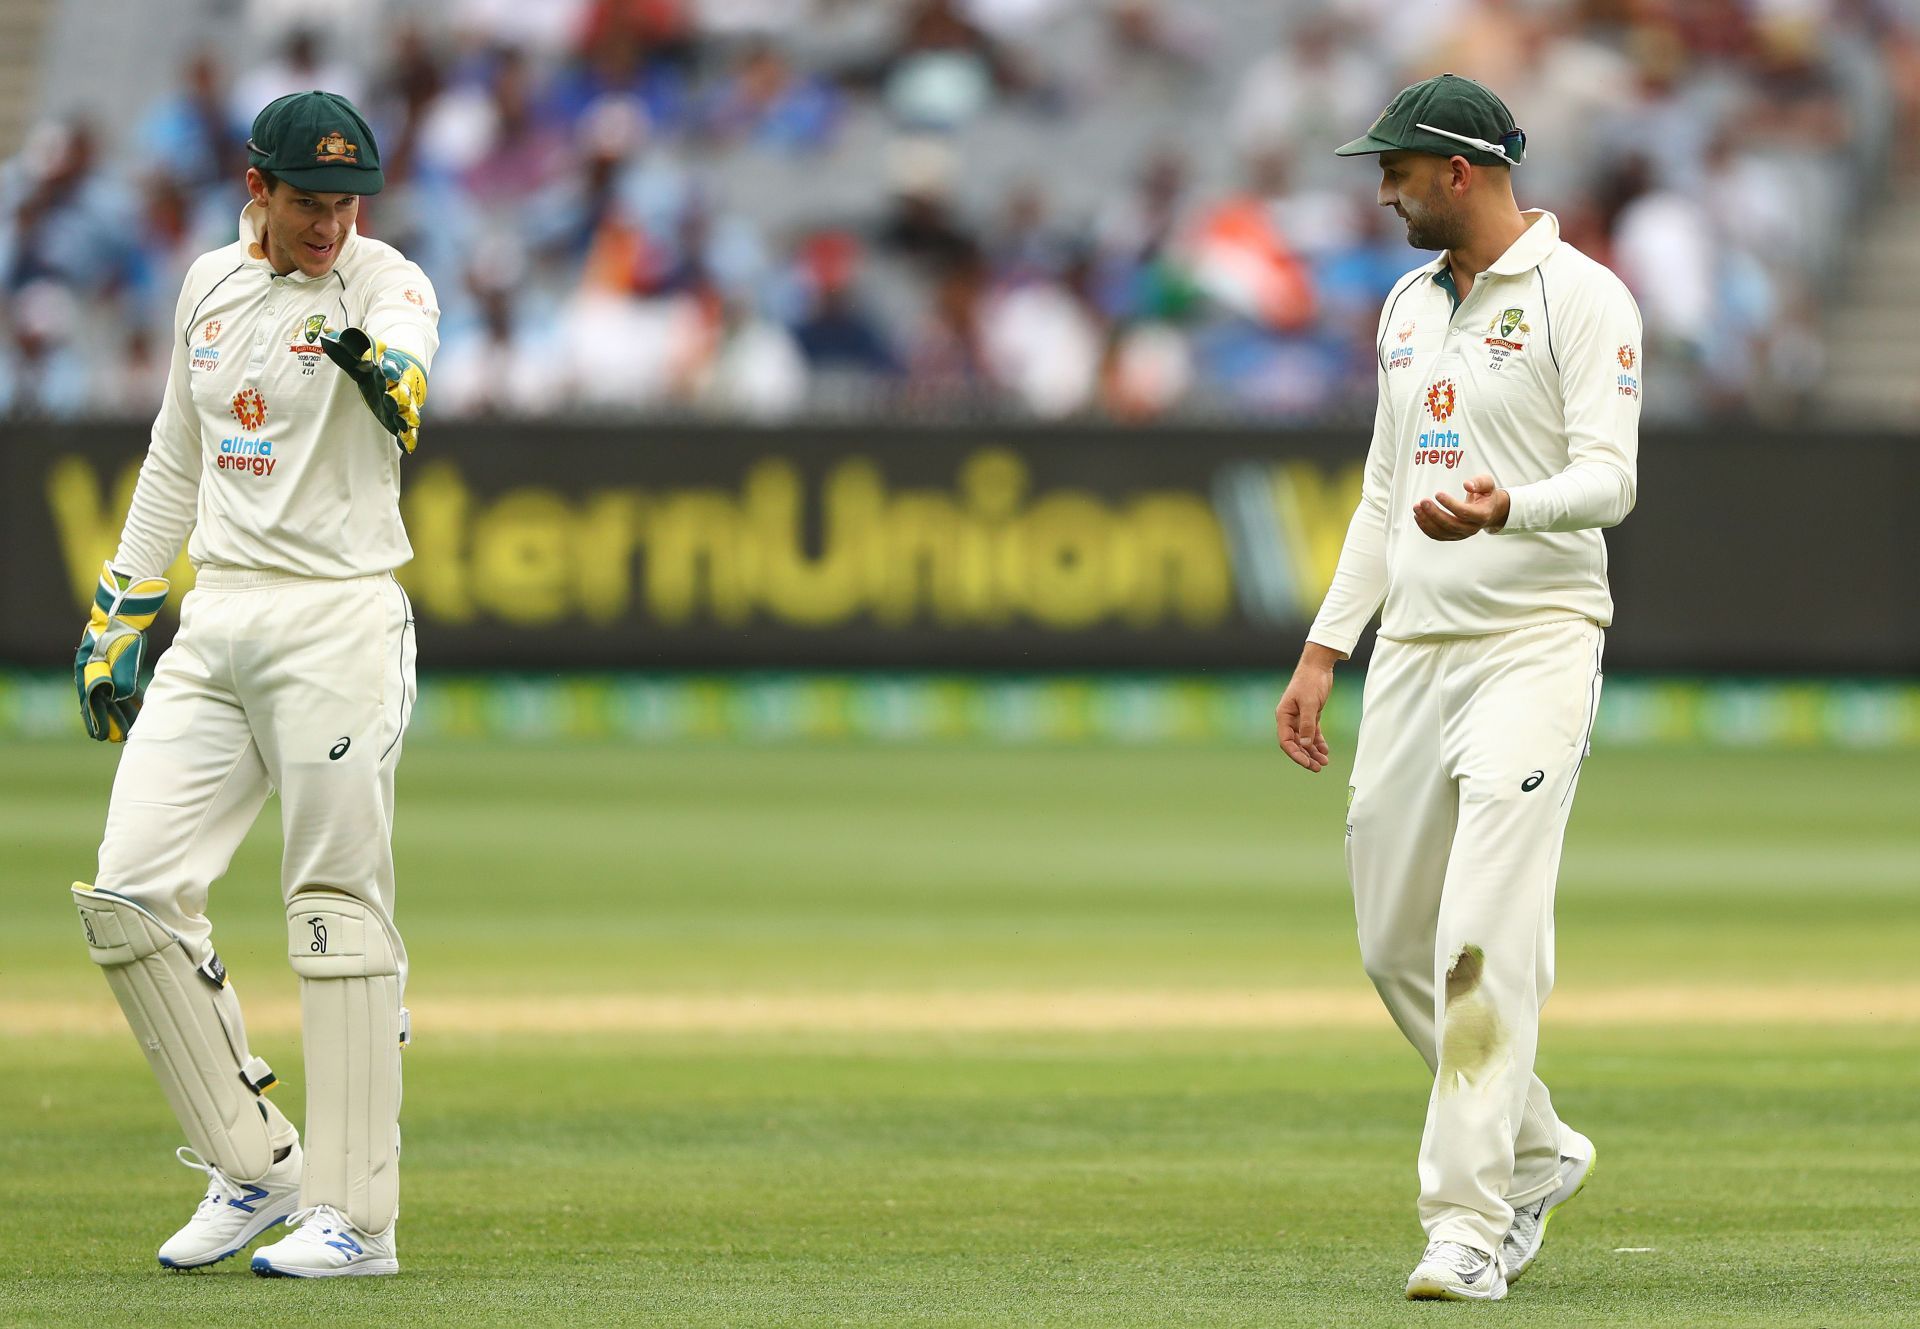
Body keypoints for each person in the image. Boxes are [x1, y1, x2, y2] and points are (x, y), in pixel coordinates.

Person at [1272, 74, 1642, 1302]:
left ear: (1459, 173)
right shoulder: (1403, 309)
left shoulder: (1582, 298)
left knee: (1482, 943)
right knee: (1395, 944)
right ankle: (1538, 1151)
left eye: (1395, 171)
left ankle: (1469, 1226)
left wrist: (1508, 507)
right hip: (1416, 656)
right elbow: (1384, 496)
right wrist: (1328, 649)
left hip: (1537, 640)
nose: (1381, 192)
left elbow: (1611, 479)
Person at [69, 90, 438, 1278]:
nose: (331, 223)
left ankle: (357, 1216)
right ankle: (256, 1161)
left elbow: (410, 368)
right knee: (129, 892)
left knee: (332, 903)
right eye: (309, 202)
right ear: (258, 189)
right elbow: (177, 451)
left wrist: (386, 376)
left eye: (346, 203)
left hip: (340, 619)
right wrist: (125, 598)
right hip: (220, 616)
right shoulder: (208, 286)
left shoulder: (386, 282)